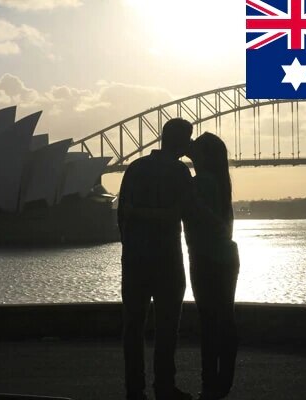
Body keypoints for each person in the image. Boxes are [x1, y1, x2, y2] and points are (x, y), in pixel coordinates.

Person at [117, 118, 196, 400]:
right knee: (167, 328)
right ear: (180, 142)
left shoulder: (135, 168)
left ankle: (134, 389)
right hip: (167, 259)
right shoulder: (179, 171)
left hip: (135, 258)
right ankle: (164, 385)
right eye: (188, 140)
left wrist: (131, 245)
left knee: (133, 326)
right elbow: (186, 213)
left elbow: (121, 213)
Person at [184, 132, 240, 400]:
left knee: (209, 323)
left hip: (207, 258)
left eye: (196, 144)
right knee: (224, 320)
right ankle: (221, 383)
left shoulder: (201, 182)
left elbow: (199, 214)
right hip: (225, 257)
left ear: (205, 154)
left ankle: (210, 385)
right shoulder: (217, 181)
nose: (190, 145)